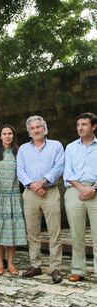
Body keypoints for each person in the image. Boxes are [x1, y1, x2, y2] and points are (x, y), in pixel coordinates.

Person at [17, 115, 65, 284]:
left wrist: (43, 182)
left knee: (54, 231)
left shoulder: (56, 146)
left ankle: (55, 268)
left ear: (45, 129)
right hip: (30, 193)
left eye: (39, 127)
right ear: (29, 132)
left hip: (50, 192)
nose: (36, 130)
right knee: (32, 231)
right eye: (32, 128)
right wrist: (34, 185)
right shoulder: (23, 149)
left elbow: (59, 166)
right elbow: (20, 171)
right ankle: (35, 265)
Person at [0, 125, 27, 276]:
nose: (8, 136)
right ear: (0, 136)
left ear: (13, 135)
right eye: (5, 134)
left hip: (13, 195)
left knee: (12, 231)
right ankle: (0, 263)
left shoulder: (19, 152)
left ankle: (11, 263)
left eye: (10, 133)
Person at [64, 112, 97, 282]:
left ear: (93, 126)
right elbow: (68, 172)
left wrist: (92, 188)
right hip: (74, 190)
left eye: (84, 124)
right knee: (77, 233)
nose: (80, 128)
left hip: (95, 189)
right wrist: (82, 188)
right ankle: (78, 269)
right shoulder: (70, 147)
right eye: (78, 125)